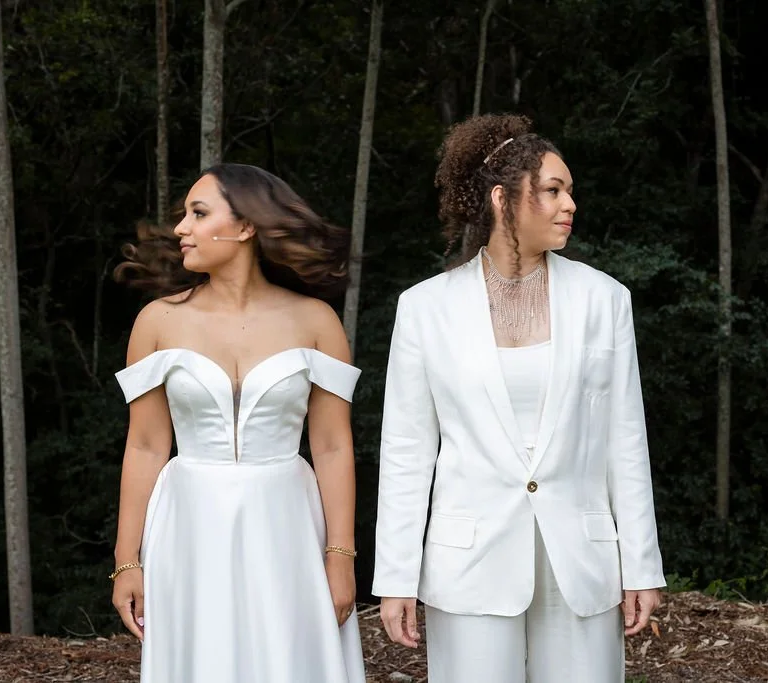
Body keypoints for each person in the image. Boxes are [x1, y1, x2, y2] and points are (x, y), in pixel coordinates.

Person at [372, 114, 666, 682]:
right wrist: (396, 576)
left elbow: (625, 441)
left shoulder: (606, 300)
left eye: (571, 192)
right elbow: (407, 451)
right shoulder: (425, 309)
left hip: (581, 559)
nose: (570, 205)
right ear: (504, 198)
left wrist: (642, 565)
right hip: (469, 560)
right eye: (554, 190)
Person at [109, 163, 367, 683]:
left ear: (247, 226)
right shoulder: (156, 321)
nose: (181, 228)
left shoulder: (316, 320)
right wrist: (126, 560)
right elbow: (145, 446)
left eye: (198, 213)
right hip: (188, 524)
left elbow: (334, 446)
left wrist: (340, 555)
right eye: (185, 215)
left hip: (287, 523)